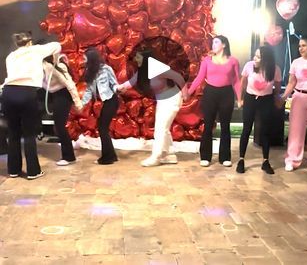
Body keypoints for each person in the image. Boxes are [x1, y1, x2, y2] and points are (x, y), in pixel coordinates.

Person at [2, 31, 61, 179]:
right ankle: (33, 171)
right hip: (26, 92)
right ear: (29, 42)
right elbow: (57, 45)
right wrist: (54, 58)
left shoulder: (11, 56)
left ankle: (13, 170)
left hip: (8, 93)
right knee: (29, 134)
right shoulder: (36, 50)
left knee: (13, 133)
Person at [117, 49, 188, 167]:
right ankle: (169, 155)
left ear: (146, 59)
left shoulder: (157, 67)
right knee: (163, 128)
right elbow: (130, 82)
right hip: (162, 100)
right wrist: (119, 87)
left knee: (161, 129)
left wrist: (185, 94)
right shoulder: (143, 71)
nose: (136, 60)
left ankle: (156, 156)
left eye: (138, 57)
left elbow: (178, 77)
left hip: (172, 99)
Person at [188, 35, 241, 167]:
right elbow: (199, 78)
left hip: (227, 94)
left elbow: (236, 81)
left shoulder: (233, 61)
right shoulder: (207, 60)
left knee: (225, 126)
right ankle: (205, 156)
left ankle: (225, 157)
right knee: (208, 125)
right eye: (213, 43)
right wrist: (188, 92)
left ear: (224, 45)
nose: (213, 45)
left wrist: (240, 98)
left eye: (216, 42)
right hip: (210, 93)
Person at [236, 45, 281, 175]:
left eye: (258, 57)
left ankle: (265, 161)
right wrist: (241, 99)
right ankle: (241, 159)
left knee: (265, 131)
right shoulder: (249, 66)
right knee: (246, 128)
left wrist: (277, 98)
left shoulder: (275, 69)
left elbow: (277, 87)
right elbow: (243, 83)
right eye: (255, 55)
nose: (254, 58)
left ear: (266, 59)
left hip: (266, 100)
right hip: (250, 99)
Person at [279, 35, 307, 171]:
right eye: (299, 46)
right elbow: (291, 82)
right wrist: (283, 97)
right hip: (299, 97)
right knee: (295, 130)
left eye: (304, 45)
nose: (300, 48)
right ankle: (292, 160)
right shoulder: (296, 62)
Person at [81, 48, 119, 165]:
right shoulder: (89, 71)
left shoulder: (106, 69)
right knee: (102, 128)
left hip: (111, 100)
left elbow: (114, 83)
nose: (83, 59)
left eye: (85, 57)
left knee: (102, 128)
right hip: (106, 102)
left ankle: (108, 158)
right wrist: (81, 104)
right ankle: (111, 155)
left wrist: (119, 88)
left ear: (91, 58)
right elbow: (88, 91)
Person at [43, 54, 82, 166]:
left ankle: (69, 157)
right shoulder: (45, 67)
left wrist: (77, 102)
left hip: (63, 96)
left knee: (59, 126)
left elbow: (69, 84)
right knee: (59, 126)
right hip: (56, 96)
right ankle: (68, 156)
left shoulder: (55, 66)